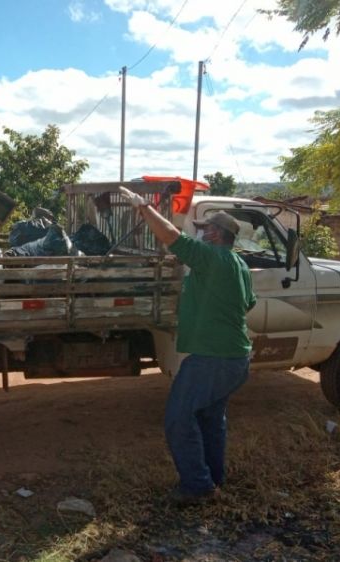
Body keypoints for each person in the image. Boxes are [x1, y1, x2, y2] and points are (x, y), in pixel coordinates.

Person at [118, 186, 256, 506]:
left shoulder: (210, 257)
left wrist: (144, 208)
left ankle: (197, 487)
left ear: (219, 234)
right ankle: (213, 478)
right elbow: (247, 304)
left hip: (213, 359)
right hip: (236, 358)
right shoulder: (239, 265)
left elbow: (170, 236)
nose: (202, 233)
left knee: (179, 419)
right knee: (209, 418)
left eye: (206, 229)